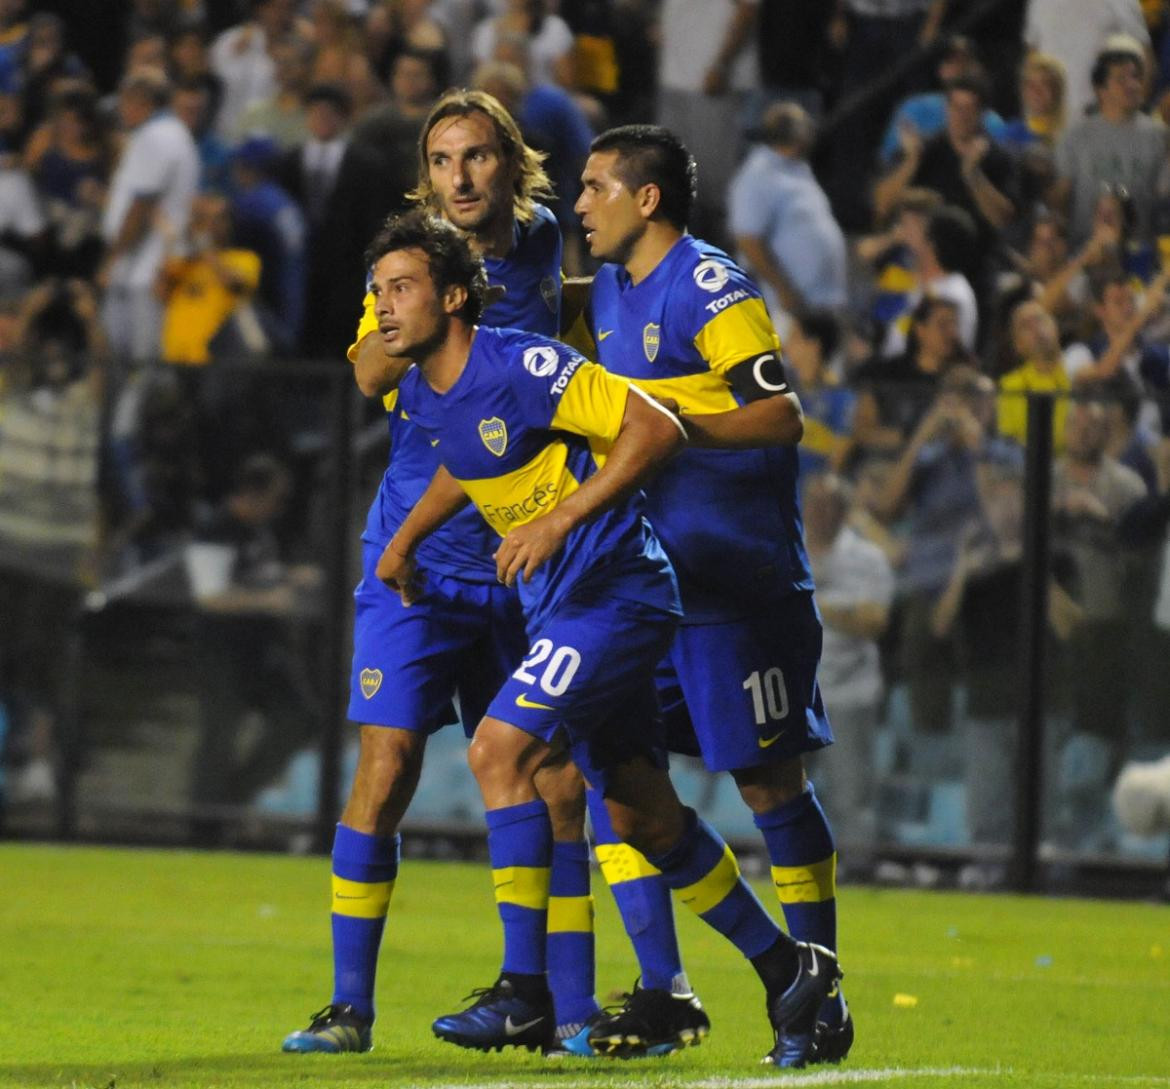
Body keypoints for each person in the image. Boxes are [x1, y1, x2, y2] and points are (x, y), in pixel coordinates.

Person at [282, 89, 701, 1063]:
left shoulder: (551, 236)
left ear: (514, 168)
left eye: (476, 158)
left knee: (569, 781)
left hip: (526, 556)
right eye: (441, 161)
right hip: (422, 556)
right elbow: (364, 375)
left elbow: (567, 337)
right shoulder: (419, 268)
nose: (459, 178)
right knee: (385, 767)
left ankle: (578, 1005)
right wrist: (389, 331)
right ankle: (349, 1007)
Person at [372, 208, 842, 1070]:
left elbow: (652, 426)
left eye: (400, 289)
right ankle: (790, 968)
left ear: (451, 297)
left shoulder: (522, 360)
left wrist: (560, 518)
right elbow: (464, 457)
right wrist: (403, 543)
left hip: (616, 591)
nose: (383, 307)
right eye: (376, 292)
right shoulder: (428, 389)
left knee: (500, 751)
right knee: (635, 810)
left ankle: (525, 992)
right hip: (570, 602)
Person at [574, 124, 852, 1064]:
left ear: (645, 198)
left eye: (595, 187)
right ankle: (672, 991)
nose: (580, 205)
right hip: (648, 587)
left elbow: (783, 413)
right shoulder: (609, 287)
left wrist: (666, 422)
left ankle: (822, 992)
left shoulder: (711, 285)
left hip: (739, 583)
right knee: (620, 781)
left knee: (769, 780)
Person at [98, 66, 199, 364]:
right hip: (145, 264)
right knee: (134, 363)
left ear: (142, 101)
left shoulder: (156, 137)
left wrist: (113, 257)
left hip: (145, 266)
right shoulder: (168, 133)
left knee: (138, 365)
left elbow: (141, 207)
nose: (121, 109)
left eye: (125, 101)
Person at [728, 102, 848, 324]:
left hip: (821, 303)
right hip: (786, 308)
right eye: (803, 125)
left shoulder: (797, 167)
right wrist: (782, 289)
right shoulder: (758, 174)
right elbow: (747, 239)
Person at [1050, 45, 1168, 248]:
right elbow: (1060, 198)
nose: (1132, 85)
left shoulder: (1159, 135)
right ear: (1100, 90)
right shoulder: (1076, 135)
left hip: (1138, 249)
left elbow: (1163, 195)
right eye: (1121, 79)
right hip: (1084, 249)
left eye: (1135, 77)